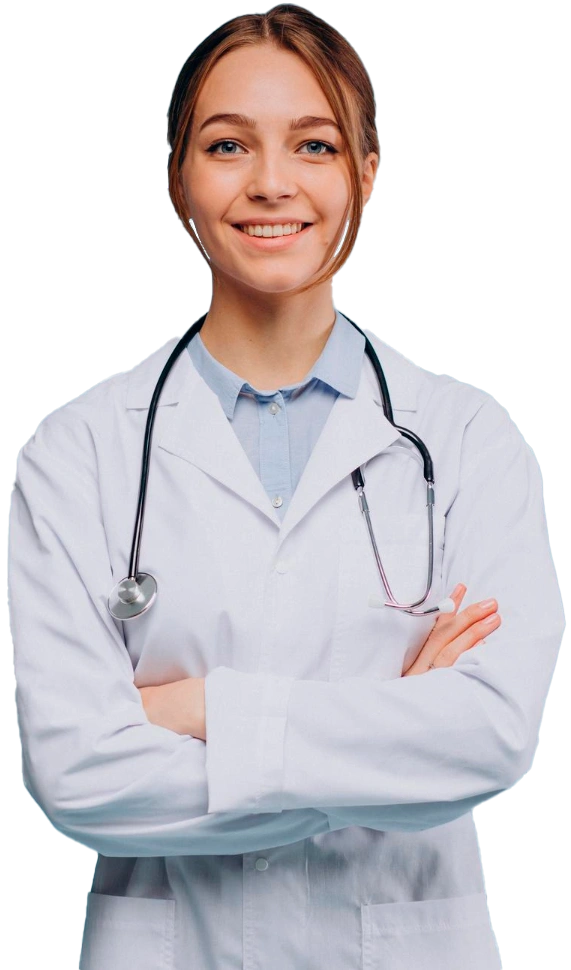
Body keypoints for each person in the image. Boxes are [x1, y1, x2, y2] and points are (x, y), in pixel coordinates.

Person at [8, 6, 564, 970]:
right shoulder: (79, 450)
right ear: (177, 176)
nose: (271, 183)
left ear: (366, 169)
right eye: (227, 145)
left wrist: (193, 710)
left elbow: (488, 739)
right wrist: (391, 726)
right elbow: (74, 775)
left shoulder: (472, 441)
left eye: (314, 144)